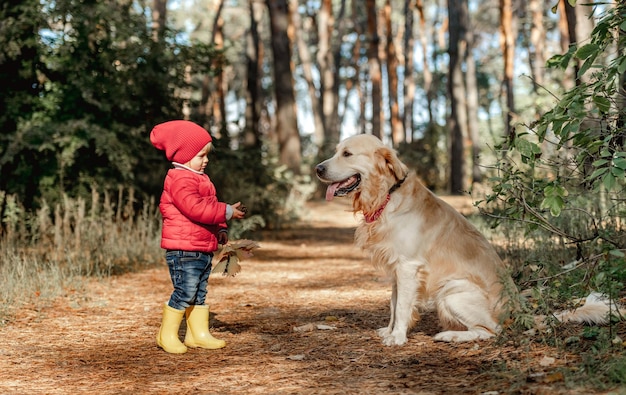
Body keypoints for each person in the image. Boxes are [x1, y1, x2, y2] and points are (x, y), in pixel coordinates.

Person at [150, 120, 246, 354]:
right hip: (183, 249)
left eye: (206, 155)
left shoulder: (199, 178)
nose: (206, 160)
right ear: (184, 155)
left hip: (200, 247)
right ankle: (167, 334)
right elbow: (195, 208)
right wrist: (227, 211)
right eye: (201, 155)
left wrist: (221, 227)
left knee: (199, 292)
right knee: (185, 291)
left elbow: (209, 206)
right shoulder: (180, 179)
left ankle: (197, 334)